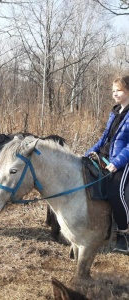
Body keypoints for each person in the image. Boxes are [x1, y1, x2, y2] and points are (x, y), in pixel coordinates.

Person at [85, 75, 129, 255]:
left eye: (118, 90)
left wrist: (117, 163)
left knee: (115, 192)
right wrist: (89, 152)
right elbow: (105, 138)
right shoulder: (115, 111)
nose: (115, 94)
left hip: (123, 160)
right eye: (113, 91)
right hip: (106, 155)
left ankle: (124, 236)